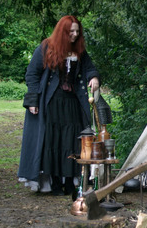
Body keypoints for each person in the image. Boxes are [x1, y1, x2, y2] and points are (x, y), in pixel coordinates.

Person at [18, 15, 100, 195]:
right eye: (71, 32)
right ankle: (55, 183)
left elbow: (89, 68)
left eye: (77, 31)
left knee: (72, 141)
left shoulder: (79, 50)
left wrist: (93, 77)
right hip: (51, 102)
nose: (75, 35)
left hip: (72, 103)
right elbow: (32, 74)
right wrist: (33, 100)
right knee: (52, 140)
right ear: (63, 32)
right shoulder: (46, 47)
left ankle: (70, 182)